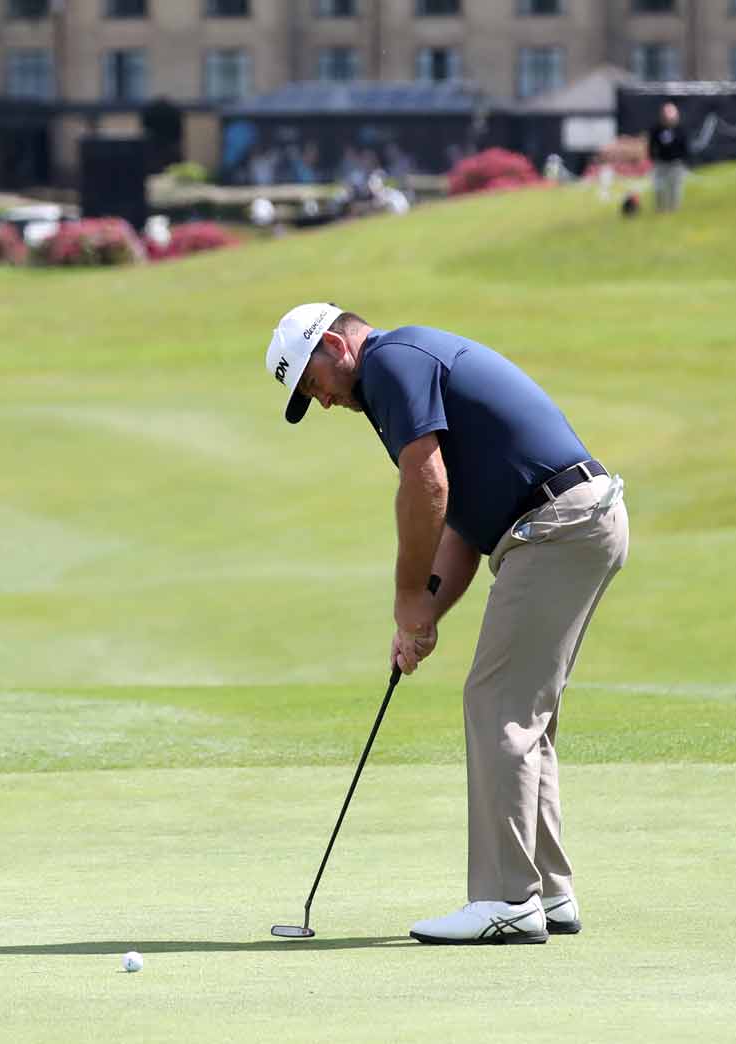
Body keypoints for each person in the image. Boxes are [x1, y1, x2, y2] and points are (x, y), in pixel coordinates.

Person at [262, 304, 629, 945]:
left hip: (555, 527)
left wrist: (405, 594)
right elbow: (461, 520)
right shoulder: (396, 374)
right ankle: (548, 890)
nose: (319, 402)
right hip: (569, 521)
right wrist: (423, 615)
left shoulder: (391, 363)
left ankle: (508, 901)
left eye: (311, 383)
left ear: (333, 345)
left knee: (497, 704)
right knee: (523, 711)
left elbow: (426, 485)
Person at [648, 101, 689, 213]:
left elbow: (685, 146)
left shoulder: (680, 129)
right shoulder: (657, 129)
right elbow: (652, 144)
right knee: (659, 187)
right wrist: (652, 157)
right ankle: (660, 208)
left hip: (676, 163)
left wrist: (685, 160)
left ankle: (674, 209)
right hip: (661, 162)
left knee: (675, 188)